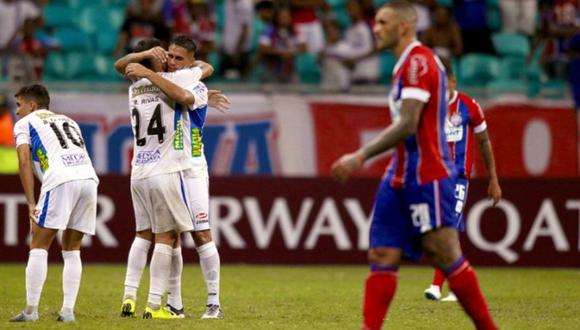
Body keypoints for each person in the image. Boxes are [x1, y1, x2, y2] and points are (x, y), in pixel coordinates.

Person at [330, 2, 497, 329]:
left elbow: (408, 123)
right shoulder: (403, 65)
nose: (375, 28)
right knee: (382, 255)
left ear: (403, 27)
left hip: (426, 173)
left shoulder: (418, 62)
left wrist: (360, 155)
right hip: (399, 173)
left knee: (446, 254)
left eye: (382, 22)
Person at [115, 36, 228, 319]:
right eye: (170, 56)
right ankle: (174, 304)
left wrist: (148, 71)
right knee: (173, 237)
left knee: (201, 233)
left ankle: (213, 302)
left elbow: (197, 81)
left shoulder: (193, 81)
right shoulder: (163, 79)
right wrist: (146, 68)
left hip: (192, 168)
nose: (173, 61)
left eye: (179, 58)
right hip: (169, 167)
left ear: (189, 62)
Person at [9, 84, 99, 323]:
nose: (16, 111)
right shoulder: (69, 120)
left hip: (61, 179)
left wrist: (31, 203)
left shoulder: (24, 123)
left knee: (39, 243)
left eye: (19, 105)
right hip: (89, 178)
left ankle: (30, 311)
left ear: (32, 105)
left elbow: (25, 162)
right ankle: (67, 312)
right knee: (72, 248)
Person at [423, 59, 502, 302]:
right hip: (434, 176)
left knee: (449, 226)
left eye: (443, 81)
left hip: (458, 178)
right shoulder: (428, 108)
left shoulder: (470, 106)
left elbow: (484, 142)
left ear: (453, 81)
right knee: (438, 230)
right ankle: (462, 282)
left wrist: (494, 179)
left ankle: (437, 286)